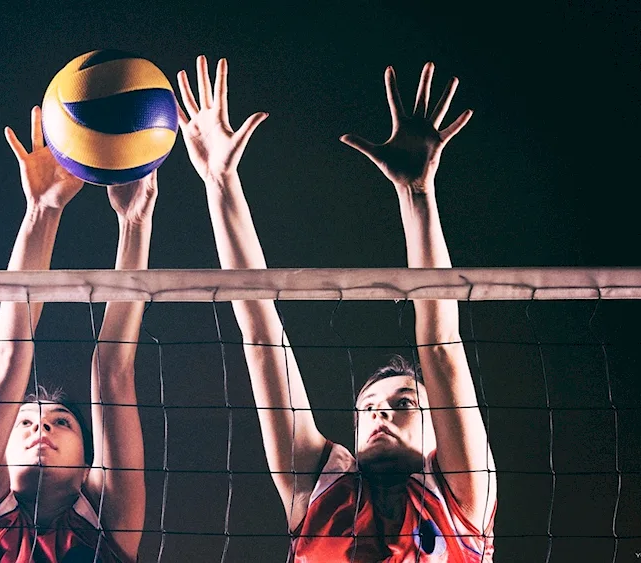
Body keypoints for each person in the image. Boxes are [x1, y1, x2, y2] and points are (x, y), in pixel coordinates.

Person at [175, 56, 496, 561]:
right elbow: (261, 334)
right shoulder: (319, 492)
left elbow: (440, 346)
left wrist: (417, 195)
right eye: (368, 408)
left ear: (439, 433)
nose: (381, 414)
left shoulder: (460, 498)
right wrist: (219, 181)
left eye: (404, 405)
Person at [0, 106, 155, 563]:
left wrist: (134, 222)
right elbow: (9, 357)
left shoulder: (106, 521)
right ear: (0, 452)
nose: (42, 427)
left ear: (87, 465)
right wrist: (42, 208)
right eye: (26, 422)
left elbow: (113, 371)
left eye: (62, 422)